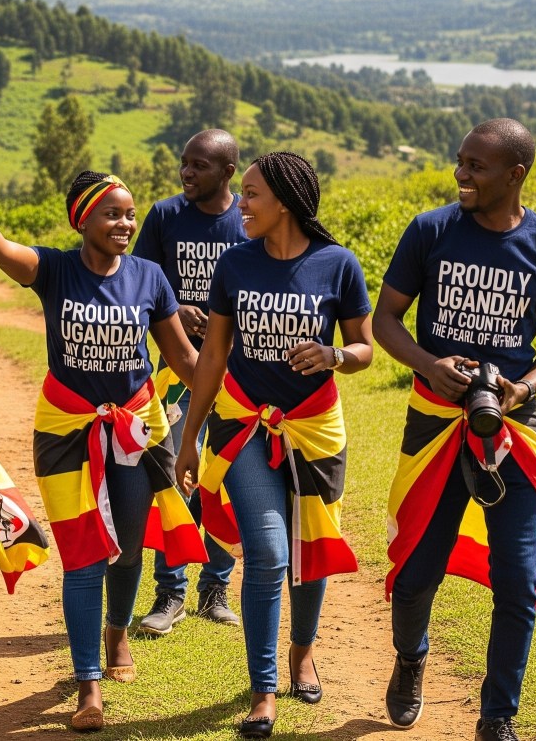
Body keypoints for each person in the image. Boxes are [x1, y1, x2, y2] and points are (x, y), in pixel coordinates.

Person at [0, 171, 205, 732]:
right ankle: (88, 687)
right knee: (82, 558)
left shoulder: (150, 277)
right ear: (83, 220)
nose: (124, 224)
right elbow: (6, 252)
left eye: (129, 214)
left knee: (127, 550)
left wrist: (233, 398)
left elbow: (183, 359)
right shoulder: (55, 269)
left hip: (136, 430)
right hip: (67, 432)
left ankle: (118, 632)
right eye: (111, 214)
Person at [373, 118, 536, 741]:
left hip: (513, 426)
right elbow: (386, 321)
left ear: (515, 175)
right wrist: (429, 364)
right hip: (433, 420)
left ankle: (497, 716)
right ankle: (411, 657)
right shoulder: (431, 230)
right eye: (460, 161)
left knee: (520, 579)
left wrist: (524, 387)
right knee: (418, 566)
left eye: (477, 166)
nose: (462, 173)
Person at [177, 151, 373, 739]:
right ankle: (263, 692)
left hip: (314, 430)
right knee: (268, 553)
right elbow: (212, 356)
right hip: (242, 428)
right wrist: (189, 439)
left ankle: (302, 653)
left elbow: (364, 348)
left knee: (308, 549)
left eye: (253, 194)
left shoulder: (337, 264)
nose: (241, 203)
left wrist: (335, 355)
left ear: (283, 202)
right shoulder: (234, 264)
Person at [132, 128, 243, 633]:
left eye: (199, 165)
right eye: (184, 163)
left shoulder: (248, 219)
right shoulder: (165, 216)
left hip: (239, 374)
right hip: (175, 371)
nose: (187, 173)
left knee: (226, 477)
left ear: (228, 172)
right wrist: (177, 309)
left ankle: (216, 587)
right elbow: (137, 280)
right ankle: (169, 591)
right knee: (173, 473)